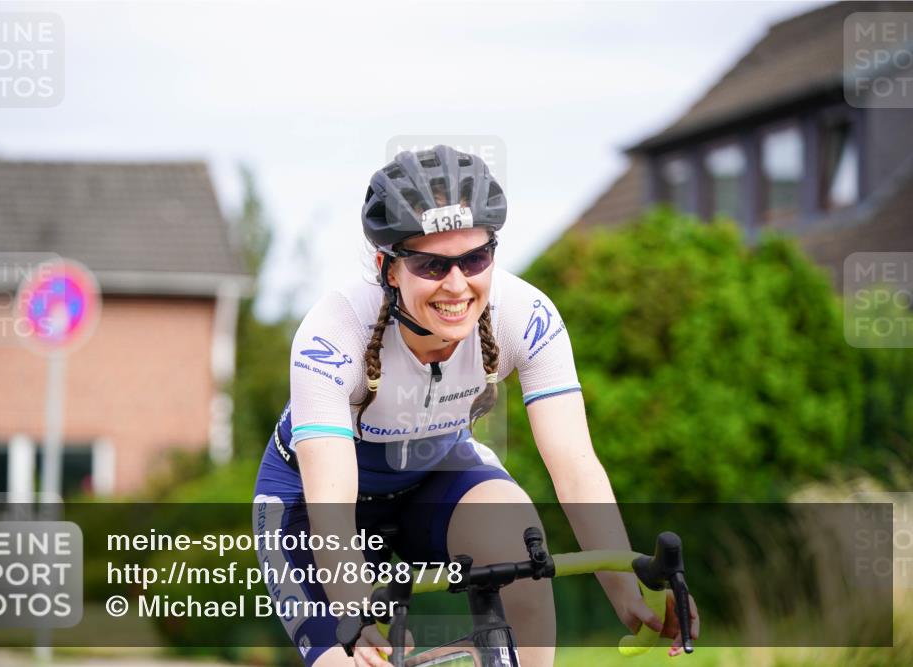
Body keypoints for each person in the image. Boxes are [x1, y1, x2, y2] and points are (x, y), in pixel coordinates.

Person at [253, 145, 699, 667]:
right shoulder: (333, 334)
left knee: (518, 542)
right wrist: (355, 610)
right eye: (431, 265)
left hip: (435, 474)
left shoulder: (525, 315)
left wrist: (627, 589)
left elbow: (576, 468)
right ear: (388, 268)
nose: (457, 284)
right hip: (313, 502)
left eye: (474, 259)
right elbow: (331, 503)